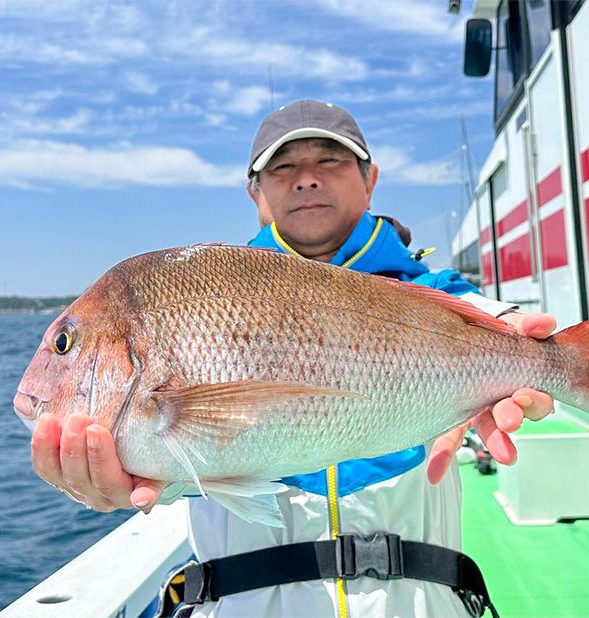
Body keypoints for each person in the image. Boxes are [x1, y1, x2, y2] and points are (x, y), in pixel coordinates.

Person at [31, 100, 555, 617]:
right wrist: (123, 480)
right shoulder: (207, 293)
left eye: (330, 159)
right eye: (283, 167)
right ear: (255, 194)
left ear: (369, 179)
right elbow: (173, 476)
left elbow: (494, 322)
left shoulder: (436, 294)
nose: (306, 179)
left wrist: (534, 360)